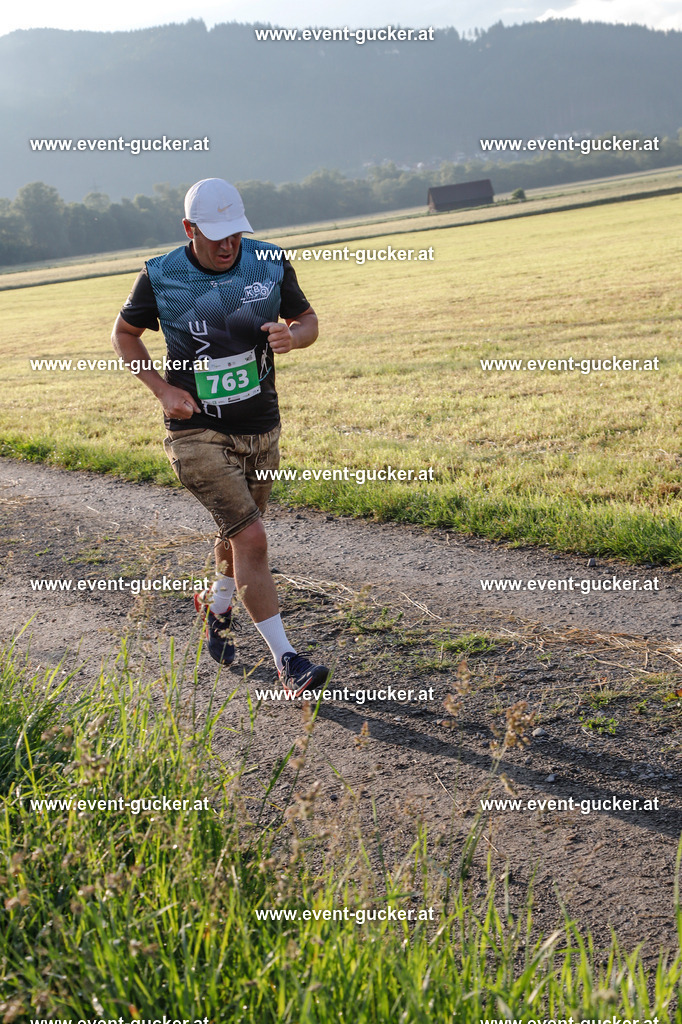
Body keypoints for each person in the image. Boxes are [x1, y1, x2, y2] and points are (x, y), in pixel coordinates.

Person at [111, 177, 330, 697]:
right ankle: (288, 662)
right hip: (196, 431)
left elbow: (307, 319)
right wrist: (162, 390)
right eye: (215, 235)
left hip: (261, 427)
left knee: (240, 533)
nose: (228, 244)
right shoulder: (161, 275)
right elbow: (123, 334)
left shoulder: (268, 261)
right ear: (189, 229)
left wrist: (293, 337)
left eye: (235, 232)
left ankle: (215, 609)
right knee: (252, 537)